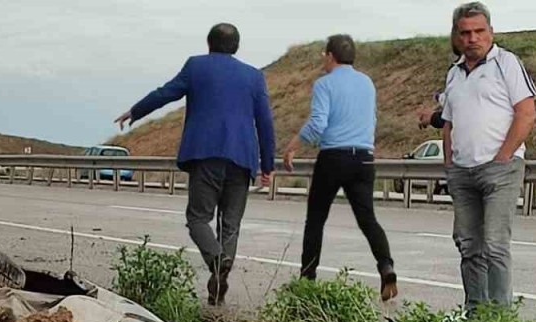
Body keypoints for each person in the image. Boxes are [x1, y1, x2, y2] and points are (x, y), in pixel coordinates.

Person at [114, 22, 275, 306]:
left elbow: (166, 93)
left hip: (206, 155)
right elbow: (265, 121)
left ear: (209, 43)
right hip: (241, 157)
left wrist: (135, 110)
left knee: (198, 218)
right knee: (231, 225)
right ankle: (219, 279)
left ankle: (216, 260)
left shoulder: (196, 67)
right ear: (236, 46)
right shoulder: (253, 76)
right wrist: (268, 165)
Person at [283, 34, 398, 301]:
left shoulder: (324, 84)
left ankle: (307, 281)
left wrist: (293, 145)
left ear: (330, 56)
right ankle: (386, 266)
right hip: (364, 158)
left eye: (324, 56)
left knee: (316, 219)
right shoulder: (367, 83)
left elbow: (318, 123)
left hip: (334, 157)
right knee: (367, 218)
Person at [441, 1, 536, 311]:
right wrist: (449, 165)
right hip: (463, 172)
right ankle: (476, 317)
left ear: (490, 32)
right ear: (457, 36)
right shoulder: (453, 74)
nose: (473, 38)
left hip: (499, 169)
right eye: (466, 32)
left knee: (495, 245)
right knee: (469, 247)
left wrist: (503, 156)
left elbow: (526, 113)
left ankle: (500, 321)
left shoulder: (506, 63)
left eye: (479, 31)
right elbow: (448, 123)